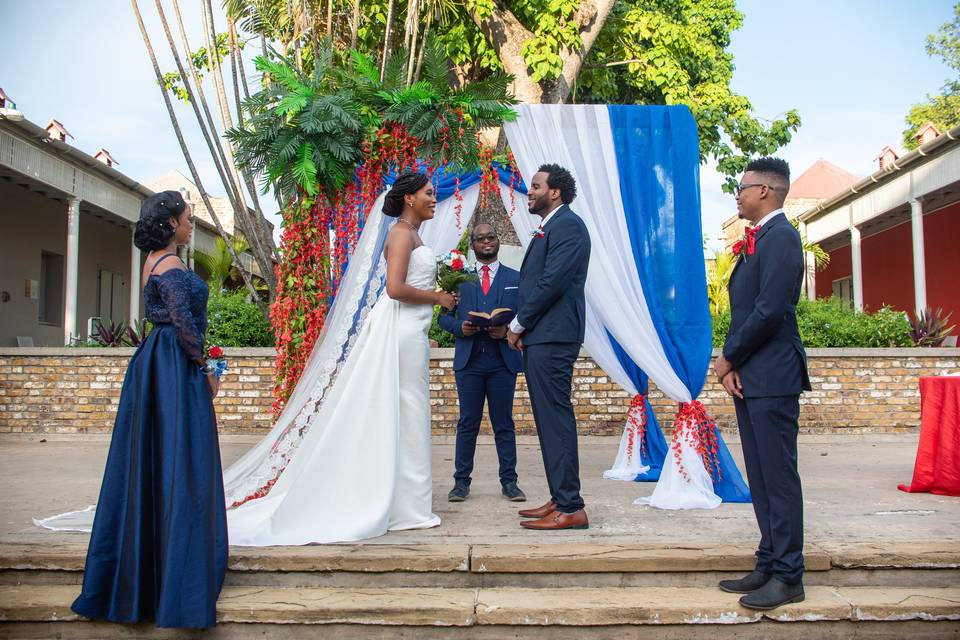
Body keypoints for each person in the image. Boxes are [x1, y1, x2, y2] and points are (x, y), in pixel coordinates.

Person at [223, 171, 456, 545]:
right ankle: (403, 506)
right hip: (398, 329)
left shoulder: (413, 234)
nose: (434, 198)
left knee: (409, 413)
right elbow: (395, 289)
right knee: (405, 410)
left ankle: (407, 503)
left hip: (413, 331)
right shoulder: (399, 234)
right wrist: (439, 297)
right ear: (409, 198)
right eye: (429, 193)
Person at [70, 191, 227, 629]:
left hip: (153, 363)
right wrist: (212, 368)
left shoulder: (152, 261)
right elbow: (185, 325)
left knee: (151, 465)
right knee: (184, 463)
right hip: (174, 366)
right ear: (171, 222)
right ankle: (180, 580)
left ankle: (148, 572)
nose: (190, 224)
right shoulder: (173, 267)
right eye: (187, 218)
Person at [714, 157, 811, 610]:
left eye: (742, 186)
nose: (737, 194)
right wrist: (733, 365)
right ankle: (769, 561)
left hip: (774, 374)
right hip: (752, 374)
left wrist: (729, 356)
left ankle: (790, 575)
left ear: (765, 191)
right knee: (760, 473)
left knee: (778, 475)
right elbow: (745, 311)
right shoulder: (759, 240)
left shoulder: (783, 239)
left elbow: (771, 310)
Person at [507, 164, 591, 531]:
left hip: (554, 335)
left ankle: (571, 506)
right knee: (547, 419)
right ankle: (560, 497)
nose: (530, 191)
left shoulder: (568, 225)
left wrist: (517, 323)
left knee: (555, 419)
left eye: (536, 186)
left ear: (555, 192)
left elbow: (552, 282)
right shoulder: (551, 226)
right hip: (544, 335)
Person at [439, 223, 526, 503]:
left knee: (504, 423)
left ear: (498, 240)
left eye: (491, 237)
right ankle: (461, 483)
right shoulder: (459, 280)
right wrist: (458, 328)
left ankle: (510, 483)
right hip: (470, 362)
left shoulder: (516, 277)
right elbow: (443, 318)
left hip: (503, 362)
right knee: (468, 423)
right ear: (473, 245)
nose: (486, 242)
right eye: (480, 239)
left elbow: (526, 315)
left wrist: (508, 331)